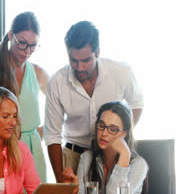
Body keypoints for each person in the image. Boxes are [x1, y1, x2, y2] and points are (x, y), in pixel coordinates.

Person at [44, 21, 144, 182]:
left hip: (111, 152)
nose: (80, 67)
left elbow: (137, 104)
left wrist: (119, 136)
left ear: (97, 52)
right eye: (74, 60)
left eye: (86, 60)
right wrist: (60, 182)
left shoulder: (121, 72)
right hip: (74, 154)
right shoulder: (56, 82)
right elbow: (52, 136)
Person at [0, 12, 49, 182]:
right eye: (22, 43)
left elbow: (59, 108)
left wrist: (38, 132)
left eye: (33, 46)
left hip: (32, 151)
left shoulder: (38, 73)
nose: (27, 51)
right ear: (11, 36)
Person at [68, 101, 148, 194]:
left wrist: (124, 156)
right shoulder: (87, 157)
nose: (104, 133)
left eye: (113, 129)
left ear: (125, 133)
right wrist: (73, 192)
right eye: (102, 125)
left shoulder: (138, 165)